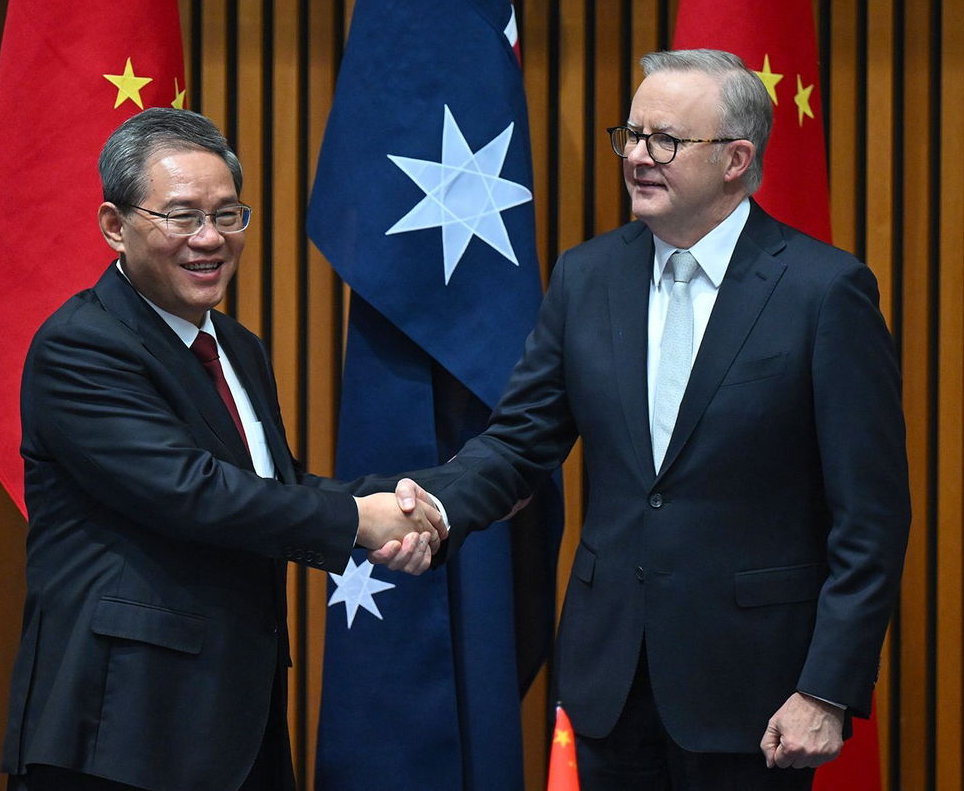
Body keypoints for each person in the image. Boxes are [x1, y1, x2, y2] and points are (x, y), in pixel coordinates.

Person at [384, 49, 911, 789]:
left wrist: (826, 688)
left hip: (755, 690)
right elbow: (519, 443)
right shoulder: (587, 275)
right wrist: (436, 506)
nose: (636, 156)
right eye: (629, 135)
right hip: (610, 680)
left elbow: (871, 517)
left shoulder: (824, 292)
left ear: (736, 159)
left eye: (664, 139)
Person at [0, 107, 444, 791]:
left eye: (228, 215)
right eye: (182, 216)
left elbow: (274, 482)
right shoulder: (81, 346)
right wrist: (361, 520)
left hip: (233, 716)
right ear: (115, 227)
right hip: (121, 730)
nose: (209, 239)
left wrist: (412, 501)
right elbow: (193, 492)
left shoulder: (234, 345)